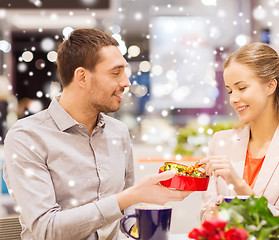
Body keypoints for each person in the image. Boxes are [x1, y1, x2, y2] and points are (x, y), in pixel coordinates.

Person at [3, 28, 190, 240]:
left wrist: (147, 221)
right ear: (82, 77)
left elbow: (126, 211)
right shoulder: (27, 137)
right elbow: (47, 230)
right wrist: (129, 197)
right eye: (116, 72)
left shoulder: (118, 132)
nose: (126, 82)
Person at [199, 42, 279, 237]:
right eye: (230, 90)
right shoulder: (220, 142)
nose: (234, 99)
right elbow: (207, 217)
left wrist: (237, 184)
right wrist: (210, 213)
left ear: (270, 85)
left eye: (242, 88)